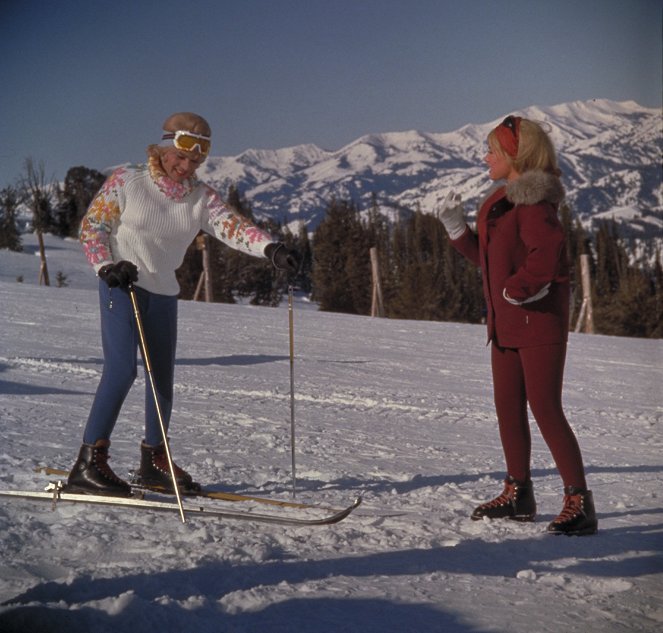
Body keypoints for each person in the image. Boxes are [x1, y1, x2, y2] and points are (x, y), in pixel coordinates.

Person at [67, 112, 299, 498]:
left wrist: (270, 249)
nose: (186, 165)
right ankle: (90, 461)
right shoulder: (128, 180)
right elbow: (93, 227)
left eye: (195, 160)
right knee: (122, 370)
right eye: (180, 156)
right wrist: (106, 265)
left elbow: (233, 226)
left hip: (163, 292)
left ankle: (153, 461)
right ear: (164, 146)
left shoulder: (199, 197)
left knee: (162, 381)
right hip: (121, 285)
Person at [437, 115, 597, 536]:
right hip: (505, 324)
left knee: (545, 408)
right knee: (507, 406)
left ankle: (579, 502)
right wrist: (457, 230)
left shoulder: (534, 203)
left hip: (538, 323)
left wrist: (519, 289)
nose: (485, 157)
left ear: (514, 155)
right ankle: (518, 493)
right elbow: (489, 261)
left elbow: (547, 255)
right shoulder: (500, 201)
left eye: (491, 150)